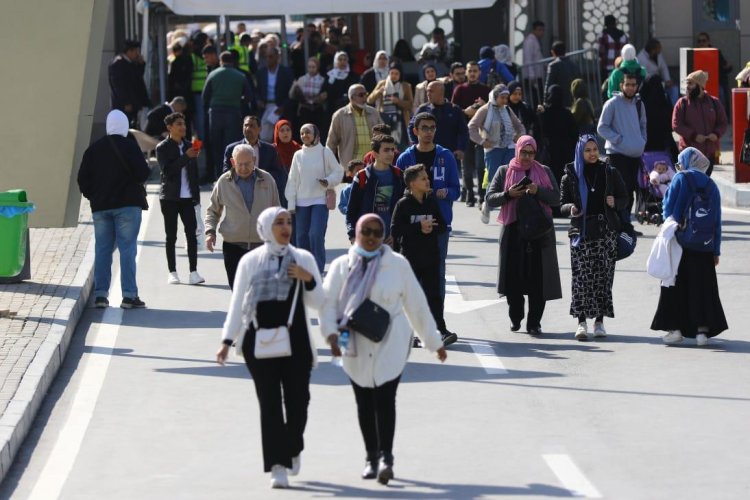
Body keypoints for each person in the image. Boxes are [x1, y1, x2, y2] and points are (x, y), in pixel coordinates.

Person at [321, 213, 447, 485]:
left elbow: (417, 304)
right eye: (366, 231)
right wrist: (331, 335)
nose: (370, 237)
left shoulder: (397, 264)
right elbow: (328, 304)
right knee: (364, 401)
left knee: (385, 399)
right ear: (356, 232)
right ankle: (370, 457)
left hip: (391, 342)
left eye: (377, 233)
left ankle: (386, 457)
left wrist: (433, 341)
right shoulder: (342, 266)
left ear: (383, 237)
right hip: (353, 342)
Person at [216, 207, 324, 489]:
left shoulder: (304, 258)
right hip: (258, 339)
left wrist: (307, 278)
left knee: (299, 402)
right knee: (271, 404)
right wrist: (227, 341)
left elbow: (320, 302)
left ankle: (293, 447)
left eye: (288, 222)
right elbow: (238, 302)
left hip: (296, 339)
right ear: (266, 228)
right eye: (279, 223)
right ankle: (278, 465)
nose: (285, 227)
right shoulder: (251, 261)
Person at [484, 135, 562, 335]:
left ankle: (534, 322)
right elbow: (490, 198)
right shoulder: (504, 171)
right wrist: (508, 194)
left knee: (539, 280)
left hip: (539, 232)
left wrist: (538, 191)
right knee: (513, 280)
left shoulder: (544, 171)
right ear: (517, 151)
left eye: (531, 153)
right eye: (523, 152)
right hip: (513, 231)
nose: (527, 157)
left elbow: (556, 198)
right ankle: (516, 316)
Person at [651, 148, 727, 346]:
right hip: (705, 245)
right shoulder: (711, 185)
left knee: (674, 284)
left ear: (685, 161)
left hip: (680, 241)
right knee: (702, 287)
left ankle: (675, 329)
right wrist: (716, 251)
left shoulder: (680, 178)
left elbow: (668, 208)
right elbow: (717, 222)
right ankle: (702, 332)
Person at [396, 113, 460, 342]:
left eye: (432, 127)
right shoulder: (405, 157)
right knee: (413, 279)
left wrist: (446, 193)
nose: (428, 132)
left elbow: (456, 189)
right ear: (415, 131)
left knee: (436, 277)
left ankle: (436, 327)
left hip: (439, 225)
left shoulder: (445, 156)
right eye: (424, 128)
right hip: (413, 229)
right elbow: (398, 190)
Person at [77, 110, 150, 309]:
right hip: (128, 206)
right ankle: (129, 296)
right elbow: (143, 173)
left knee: (102, 250)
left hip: (101, 207)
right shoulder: (130, 146)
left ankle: (101, 296)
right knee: (127, 250)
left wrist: (94, 196)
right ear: (125, 126)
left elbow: (82, 180)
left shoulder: (93, 149)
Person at [560, 135, 628, 340]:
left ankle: (599, 322)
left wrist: (615, 201)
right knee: (581, 278)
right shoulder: (570, 175)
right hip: (580, 232)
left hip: (605, 231)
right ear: (580, 152)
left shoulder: (609, 172)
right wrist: (570, 208)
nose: (592, 153)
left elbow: (625, 198)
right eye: (587, 150)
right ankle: (581, 322)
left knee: (603, 278)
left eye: (594, 149)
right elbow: (561, 204)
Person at [391, 164, 453, 347]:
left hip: (431, 257)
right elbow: (395, 230)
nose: (428, 181)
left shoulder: (431, 202)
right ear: (412, 184)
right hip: (411, 258)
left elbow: (442, 226)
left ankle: (440, 330)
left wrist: (431, 227)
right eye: (423, 179)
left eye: (428, 178)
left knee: (434, 296)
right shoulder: (403, 204)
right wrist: (419, 227)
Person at [205, 144, 281, 288]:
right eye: (240, 164)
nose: (244, 168)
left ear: (254, 160)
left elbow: (277, 212)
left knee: (261, 293)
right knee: (238, 291)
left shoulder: (267, 179)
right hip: (233, 246)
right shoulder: (224, 182)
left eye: (248, 164)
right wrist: (210, 232)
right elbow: (213, 211)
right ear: (233, 162)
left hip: (261, 246)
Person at [285, 124, 344, 272]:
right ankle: (304, 267)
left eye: (308, 132)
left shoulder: (325, 152)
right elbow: (292, 179)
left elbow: (338, 171)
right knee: (301, 236)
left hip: (320, 200)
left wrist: (328, 181)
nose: (305, 135)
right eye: (302, 133)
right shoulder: (298, 155)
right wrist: (291, 203)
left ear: (316, 135)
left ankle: (317, 268)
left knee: (315, 234)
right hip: (301, 202)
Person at [155, 112, 204, 286]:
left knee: (191, 235)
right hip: (169, 197)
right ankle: (172, 272)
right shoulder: (162, 148)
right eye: (178, 124)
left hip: (187, 198)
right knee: (171, 236)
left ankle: (193, 272)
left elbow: (194, 175)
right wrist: (186, 157)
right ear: (169, 127)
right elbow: (167, 171)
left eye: (184, 124)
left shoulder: (191, 146)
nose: (183, 127)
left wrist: (197, 199)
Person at [468, 84, 525, 224]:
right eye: (502, 97)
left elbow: (519, 126)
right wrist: (482, 141)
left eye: (506, 97)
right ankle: (487, 204)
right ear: (494, 96)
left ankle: (511, 209)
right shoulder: (485, 110)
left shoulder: (507, 109)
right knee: (494, 179)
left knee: (512, 177)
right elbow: (471, 127)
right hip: (493, 150)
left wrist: (519, 137)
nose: (505, 100)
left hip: (509, 148)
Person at [598, 73, 647, 217]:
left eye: (633, 85)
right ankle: (619, 224)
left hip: (635, 154)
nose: (631, 88)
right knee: (620, 191)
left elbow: (644, 125)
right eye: (628, 85)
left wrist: (642, 141)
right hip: (617, 154)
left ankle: (625, 225)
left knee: (631, 191)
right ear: (621, 86)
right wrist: (618, 139)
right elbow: (602, 127)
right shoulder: (612, 103)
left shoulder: (639, 104)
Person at [202, 51, 253, 181]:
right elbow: (249, 96)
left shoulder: (213, 74)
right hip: (233, 113)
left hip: (215, 113)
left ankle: (219, 174)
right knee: (230, 145)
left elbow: (205, 96)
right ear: (232, 61)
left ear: (221, 61)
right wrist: (238, 100)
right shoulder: (240, 76)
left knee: (216, 146)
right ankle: (231, 173)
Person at [345, 134, 405, 244]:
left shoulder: (399, 175)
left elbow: (404, 209)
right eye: (386, 150)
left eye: (392, 150)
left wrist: (397, 232)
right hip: (367, 237)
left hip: (391, 239)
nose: (391, 154)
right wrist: (352, 235)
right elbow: (351, 210)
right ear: (375, 154)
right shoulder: (362, 176)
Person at [672, 70, 728, 177]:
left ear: (700, 86)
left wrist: (716, 134)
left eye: (691, 83)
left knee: (703, 186)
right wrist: (693, 136)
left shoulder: (714, 102)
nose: (687, 86)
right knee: (689, 185)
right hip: (688, 155)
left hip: (708, 154)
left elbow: (723, 123)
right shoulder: (682, 103)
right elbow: (676, 124)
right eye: (687, 83)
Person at [223, 115, 288, 206]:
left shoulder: (270, 150)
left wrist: (260, 176)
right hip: (240, 196)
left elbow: (277, 173)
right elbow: (226, 172)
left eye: (252, 126)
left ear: (259, 129)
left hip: (263, 195)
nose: (248, 128)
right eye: (246, 125)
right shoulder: (231, 149)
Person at [409, 81, 469, 173]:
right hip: (426, 155)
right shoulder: (423, 109)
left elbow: (463, 131)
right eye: (427, 91)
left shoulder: (454, 110)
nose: (428, 94)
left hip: (449, 155)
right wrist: (416, 143)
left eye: (431, 91)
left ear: (440, 92)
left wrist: (461, 148)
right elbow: (411, 127)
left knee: (449, 183)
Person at [452, 61, 490, 206]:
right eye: (470, 71)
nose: (472, 73)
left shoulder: (486, 90)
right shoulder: (459, 90)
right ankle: (469, 194)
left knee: (481, 166)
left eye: (475, 70)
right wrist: (465, 111)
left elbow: (494, 110)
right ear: (466, 73)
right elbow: (453, 110)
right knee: (467, 169)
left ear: (480, 72)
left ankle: (482, 196)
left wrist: (483, 106)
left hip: (481, 134)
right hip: (464, 134)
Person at [326, 84, 382, 168]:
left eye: (365, 94)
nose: (364, 98)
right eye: (361, 95)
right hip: (351, 167)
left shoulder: (373, 113)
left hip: (373, 165)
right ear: (351, 97)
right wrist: (330, 167)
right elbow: (331, 144)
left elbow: (384, 135)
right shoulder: (340, 115)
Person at [538, 84, 578, 186]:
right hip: (566, 152)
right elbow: (575, 134)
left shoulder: (545, 114)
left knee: (553, 180)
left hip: (551, 153)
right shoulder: (567, 114)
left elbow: (541, 132)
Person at [367, 63, 413, 148]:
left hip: (400, 121)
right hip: (384, 118)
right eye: (392, 73)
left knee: (400, 146)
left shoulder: (406, 86)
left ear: (400, 75)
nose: (394, 76)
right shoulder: (382, 83)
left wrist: (398, 101)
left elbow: (410, 105)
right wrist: (378, 92)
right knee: (384, 144)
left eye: (396, 74)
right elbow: (369, 100)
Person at [256, 47, 295, 142]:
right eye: (266, 57)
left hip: (280, 107)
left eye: (271, 57)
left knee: (281, 137)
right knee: (264, 136)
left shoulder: (286, 72)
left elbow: (291, 94)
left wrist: (283, 106)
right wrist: (258, 101)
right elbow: (257, 91)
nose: (268, 59)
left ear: (277, 57)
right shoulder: (261, 72)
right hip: (266, 106)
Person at [108, 40, 151, 128]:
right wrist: (126, 102)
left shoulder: (129, 63)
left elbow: (137, 78)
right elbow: (119, 86)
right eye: (136, 51)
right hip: (124, 105)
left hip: (133, 102)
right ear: (129, 51)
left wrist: (141, 65)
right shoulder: (118, 63)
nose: (138, 54)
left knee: (132, 126)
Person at [640, 74, 679, 159]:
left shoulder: (642, 100)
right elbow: (670, 118)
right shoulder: (664, 98)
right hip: (663, 141)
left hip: (646, 141)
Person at [695, 32, 733, 113]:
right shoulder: (694, 53)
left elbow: (726, 66)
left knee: (721, 94)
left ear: (708, 42)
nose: (701, 43)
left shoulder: (716, 52)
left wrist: (727, 67)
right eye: (699, 41)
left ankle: (721, 116)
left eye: (703, 41)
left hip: (716, 82)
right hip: (700, 83)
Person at [289, 58, 326, 137]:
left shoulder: (322, 80)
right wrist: (295, 86)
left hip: (317, 109)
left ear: (317, 67)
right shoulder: (302, 79)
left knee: (317, 132)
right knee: (305, 131)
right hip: (305, 109)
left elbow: (324, 96)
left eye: (313, 67)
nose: (311, 69)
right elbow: (291, 95)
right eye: (309, 67)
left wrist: (322, 97)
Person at [636, 38, 677, 104]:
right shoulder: (641, 58)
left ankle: (672, 109)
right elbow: (646, 78)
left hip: (660, 82)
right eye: (659, 48)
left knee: (674, 89)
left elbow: (663, 68)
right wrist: (663, 84)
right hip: (648, 86)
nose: (660, 50)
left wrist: (667, 80)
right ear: (653, 50)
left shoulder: (658, 55)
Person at [544, 41, 581, 108]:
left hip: (559, 102)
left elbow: (548, 84)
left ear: (553, 52)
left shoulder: (553, 65)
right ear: (565, 51)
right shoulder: (574, 65)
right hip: (573, 101)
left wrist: (545, 102)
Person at [323, 51, 360, 117]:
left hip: (348, 107)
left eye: (344, 60)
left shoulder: (353, 75)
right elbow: (325, 91)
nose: (342, 62)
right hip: (332, 108)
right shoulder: (329, 75)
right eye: (340, 59)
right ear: (335, 61)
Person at [598, 14, 628, 80]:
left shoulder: (603, 35)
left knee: (607, 88)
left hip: (607, 69)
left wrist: (601, 67)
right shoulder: (623, 35)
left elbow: (601, 53)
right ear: (615, 23)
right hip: (621, 68)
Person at [522, 21, 546, 107]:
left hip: (537, 76)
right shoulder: (530, 41)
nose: (541, 32)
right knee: (534, 101)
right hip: (532, 78)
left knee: (538, 100)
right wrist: (532, 76)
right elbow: (528, 60)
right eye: (539, 30)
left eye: (543, 30)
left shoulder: (536, 41)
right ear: (534, 30)